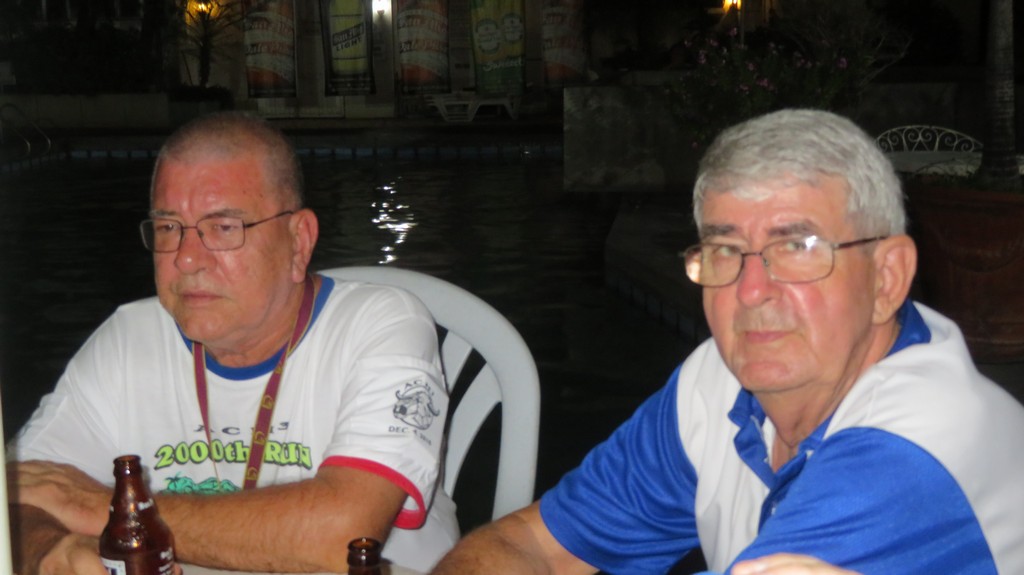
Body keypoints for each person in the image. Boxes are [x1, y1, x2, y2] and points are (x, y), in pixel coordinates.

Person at [430, 109, 1024, 575]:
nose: (751, 290)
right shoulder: (716, 381)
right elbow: (533, 542)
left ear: (886, 278)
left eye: (797, 248)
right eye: (725, 250)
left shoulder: (918, 446)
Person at [8, 112, 458, 574]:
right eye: (168, 228)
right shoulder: (128, 338)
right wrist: (47, 550)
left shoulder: (381, 325)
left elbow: (344, 535)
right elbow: (22, 492)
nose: (186, 259)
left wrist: (99, 508)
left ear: (298, 241)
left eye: (223, 227)